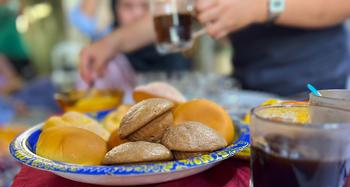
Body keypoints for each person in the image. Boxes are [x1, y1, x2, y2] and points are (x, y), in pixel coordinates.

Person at [79, 0, 350, 96]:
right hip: (250, 92)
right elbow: (179, 12)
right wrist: (111, 42)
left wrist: (260, 6)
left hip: (319, 90)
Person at [70, 0, 191, 73]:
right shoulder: (103, 54)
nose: (137, 14)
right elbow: (82, 21)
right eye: (128, 6)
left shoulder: (172, 45)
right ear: (114, 9)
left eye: (145, 6)